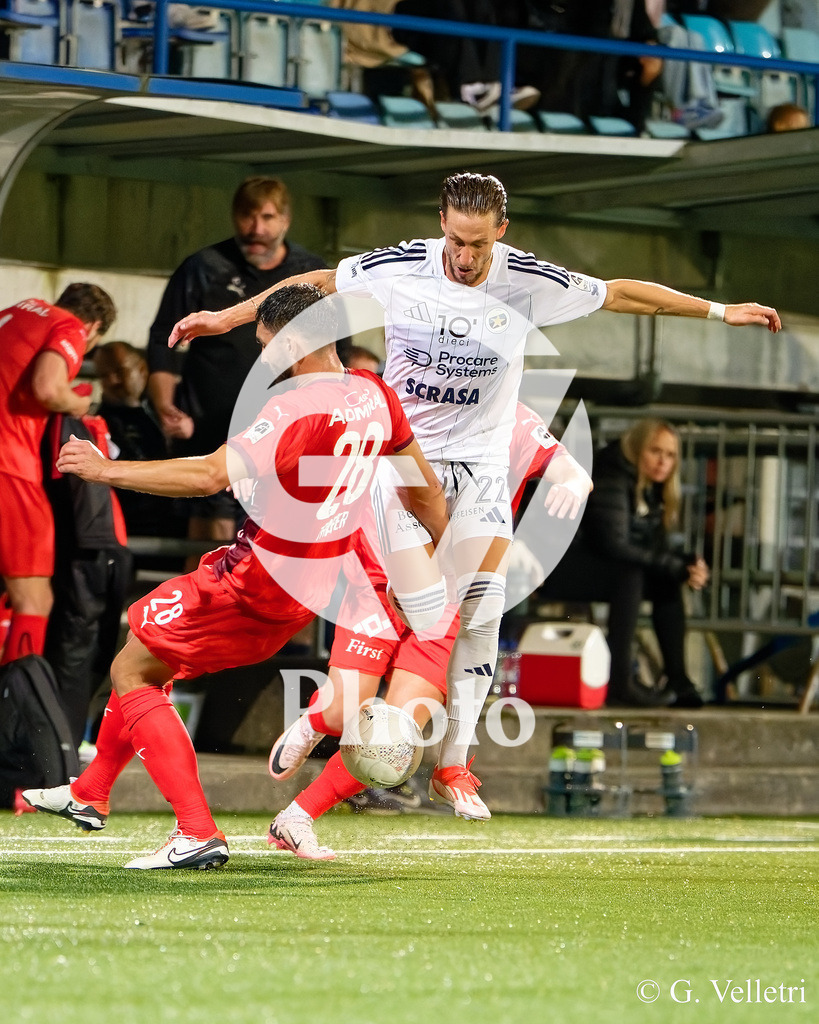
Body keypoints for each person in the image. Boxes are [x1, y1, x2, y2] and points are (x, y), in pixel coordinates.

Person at [169, 170, 781, 823]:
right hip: (402, 462)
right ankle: (326, 719)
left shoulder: (528, 280)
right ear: (441, 224)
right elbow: (314, 285)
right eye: (457, 243)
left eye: (478, 246)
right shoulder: (400, 266)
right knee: (393, 604)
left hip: (483, 469)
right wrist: (225, 317)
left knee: (479, 615)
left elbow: (625, 294)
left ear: (501, 232)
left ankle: (451, 767)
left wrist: (720, 311)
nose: (465, 258)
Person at [23, 283, 449, 870]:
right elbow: (423, 490)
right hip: (313, 583)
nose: (263, 360)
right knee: (149, 652)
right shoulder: (374, 393)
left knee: (131, 668)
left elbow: (206, 476)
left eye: (267, 346)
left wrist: (106, 470)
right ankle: (89, 792)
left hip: (258, 582)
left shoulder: (294, 405)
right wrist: (432, 567)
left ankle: (196, 831)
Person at [266, 400, 592, 859]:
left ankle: (295, 817)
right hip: (380, 578)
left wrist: (577, 480)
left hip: (453, 592)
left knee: (393, 737)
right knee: (344, 712)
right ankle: (319, 719)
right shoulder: (409, 396)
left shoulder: (512, 419)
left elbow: (565, 465)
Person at [146, 176, 326, 561]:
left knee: (284, 546)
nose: (257, 229)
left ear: (286, 220)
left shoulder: (310, 272)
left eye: (267, 217)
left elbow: (335, 350)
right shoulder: (204, 267)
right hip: (211, 432)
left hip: (286, 436)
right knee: (209, 547)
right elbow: (165, 340)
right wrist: (165, 405)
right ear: (234, 217)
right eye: (248, 216)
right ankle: (202, 618)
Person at [539, 418, 709, 708]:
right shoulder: (611, 473)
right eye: (655, 451)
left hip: (605, 565)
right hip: (560, 566)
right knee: (630, 575)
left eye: (670, 455)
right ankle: (619, 683)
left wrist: (687, 565)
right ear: (637, 448)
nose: (662, 462)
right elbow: (613, 543)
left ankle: (679, 680)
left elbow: (652, 547)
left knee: (664, 580)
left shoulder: (652, 488)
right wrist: (671, 565)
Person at [0, 284, 117, 667]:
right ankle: (18, 714)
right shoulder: (69, 326)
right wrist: (79, 399)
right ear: (94, 327)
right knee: (34, 600)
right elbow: (48, 388)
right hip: (9, 467)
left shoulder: (16, 312)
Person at [93, 340, 187, 542]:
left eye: (120, 371)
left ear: (142, 369)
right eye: (103, 375)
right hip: (134, 522)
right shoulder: (100, 423)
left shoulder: (170, 406)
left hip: (176, 517)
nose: (112, 381)